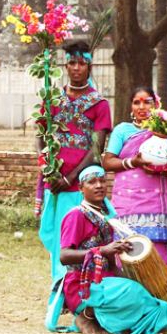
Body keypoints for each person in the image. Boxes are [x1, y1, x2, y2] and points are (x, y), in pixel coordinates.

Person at [58, 165, 167, 334]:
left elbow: (112, 266)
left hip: (108, 284)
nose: (99, 185)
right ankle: (86, 315)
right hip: (82, 285)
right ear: (80, 188)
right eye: (92, 182)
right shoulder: (76, 215)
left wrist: (141, 285)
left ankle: (105, 319)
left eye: (102, 181)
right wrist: (102, 250)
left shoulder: (106, 219)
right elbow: (64, 256)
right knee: (130, 292)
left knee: (164, 311)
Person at [37, 41, 112, 288]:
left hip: (80, 183)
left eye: (82, 63)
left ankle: (78, 283)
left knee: (80, 236)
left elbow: (96, 147)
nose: (76, 68)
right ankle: (60, 283)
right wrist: (46, 166)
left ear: (89, 66)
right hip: (54, 180)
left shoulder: (98, 103)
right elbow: (40, 135)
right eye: (72, 63)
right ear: (65, 65)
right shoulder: (52, 98)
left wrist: (69, 178)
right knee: (58, 233)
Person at [103, 87, 167, 279]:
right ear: (131, 106)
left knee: (158, 246)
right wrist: (133, 162)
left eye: (147, 101)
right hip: (128, 201)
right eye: (137, 102)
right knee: (128, 244)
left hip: (158, 202)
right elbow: (107, 162)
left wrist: (165, 168)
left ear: (156, 105)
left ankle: (162, 293)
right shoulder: (122, 130)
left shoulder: (166, 131)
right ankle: (129, 294)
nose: (142, 106)